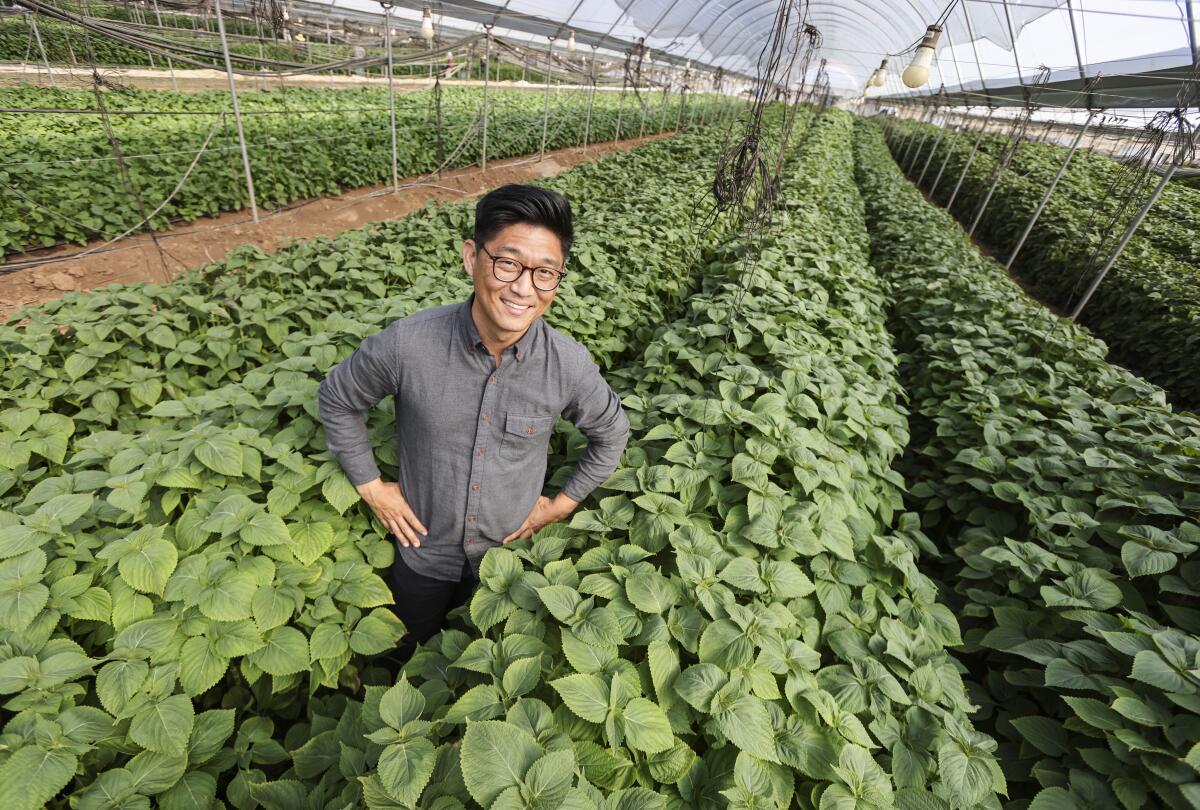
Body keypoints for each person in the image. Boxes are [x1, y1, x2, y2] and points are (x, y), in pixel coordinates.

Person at [317, 184, 630, 662]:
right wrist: (372, 486)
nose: (524, 287)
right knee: (402, 656)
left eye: (545, 273)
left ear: (557, 280)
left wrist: (558, 507)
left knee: (482, 667)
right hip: (421, 550)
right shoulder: (408, 345)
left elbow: (612, 433)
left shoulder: (567, 365)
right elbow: (339, 397)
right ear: (471, 257)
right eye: (508, 263)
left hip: (506, 561)